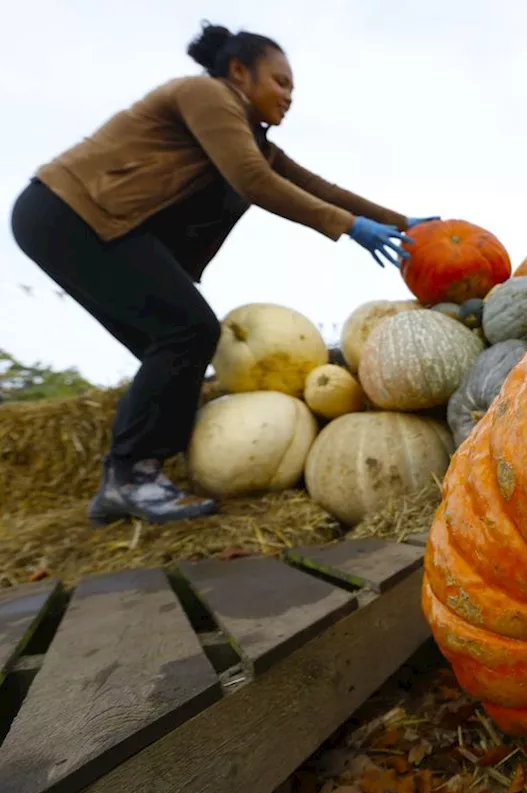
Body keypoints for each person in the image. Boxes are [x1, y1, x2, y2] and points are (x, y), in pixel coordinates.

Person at [8, 22, 437, 526]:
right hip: (71, 211)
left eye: (292, 87)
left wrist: (402, 223)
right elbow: (252, 181)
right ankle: (132, 476)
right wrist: (348, 228)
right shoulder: (206, 94)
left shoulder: (252, 137)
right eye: (280, 82)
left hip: (81, 222)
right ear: (239, 71)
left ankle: (131, 478)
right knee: (186, 331)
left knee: (170, 346)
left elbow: (317, 186)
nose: (288, 96)